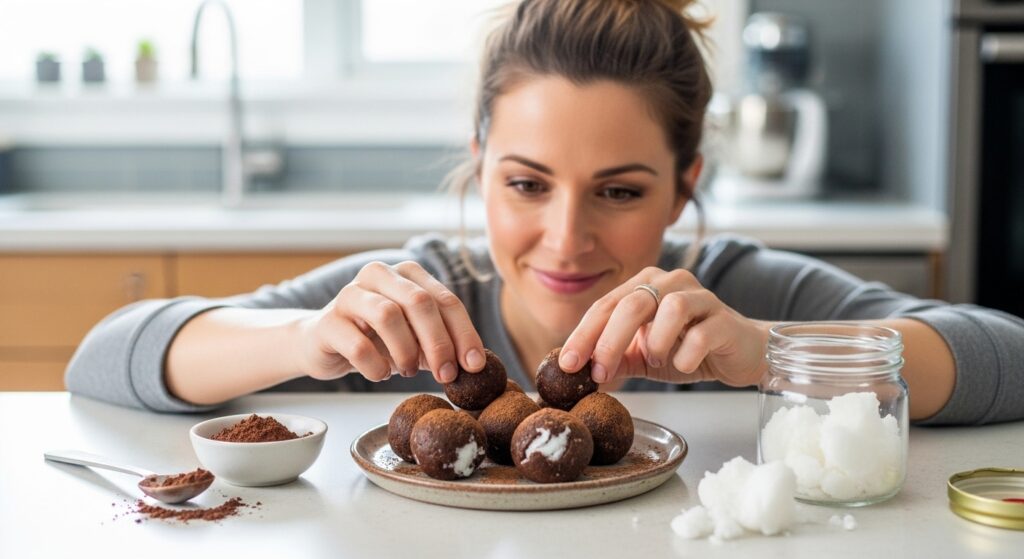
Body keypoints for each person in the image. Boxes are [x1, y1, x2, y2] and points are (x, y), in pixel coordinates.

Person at [66, 0, 1023, 425]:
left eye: (620, 190)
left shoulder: (734, 293)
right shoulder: (422, 295)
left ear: (685, 183)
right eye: (527, 184)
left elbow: (1005, 355)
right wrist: (303, 339)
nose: (567, 239)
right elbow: (103, 354)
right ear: (480, 167)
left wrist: (770, 351)